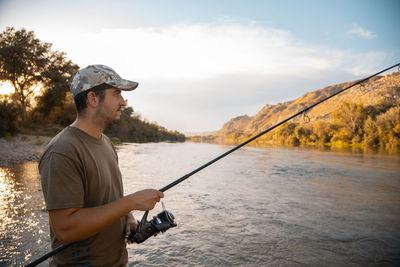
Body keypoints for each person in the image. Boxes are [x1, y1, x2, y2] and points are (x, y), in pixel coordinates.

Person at [39, 64, 164, 266]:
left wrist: (127, 216)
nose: (123, 102)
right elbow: (65, 229)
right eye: (116, 94)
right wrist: (131, 202)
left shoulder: (105, 142)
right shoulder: (62, 151)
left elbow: (106, 197)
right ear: (93, 99)